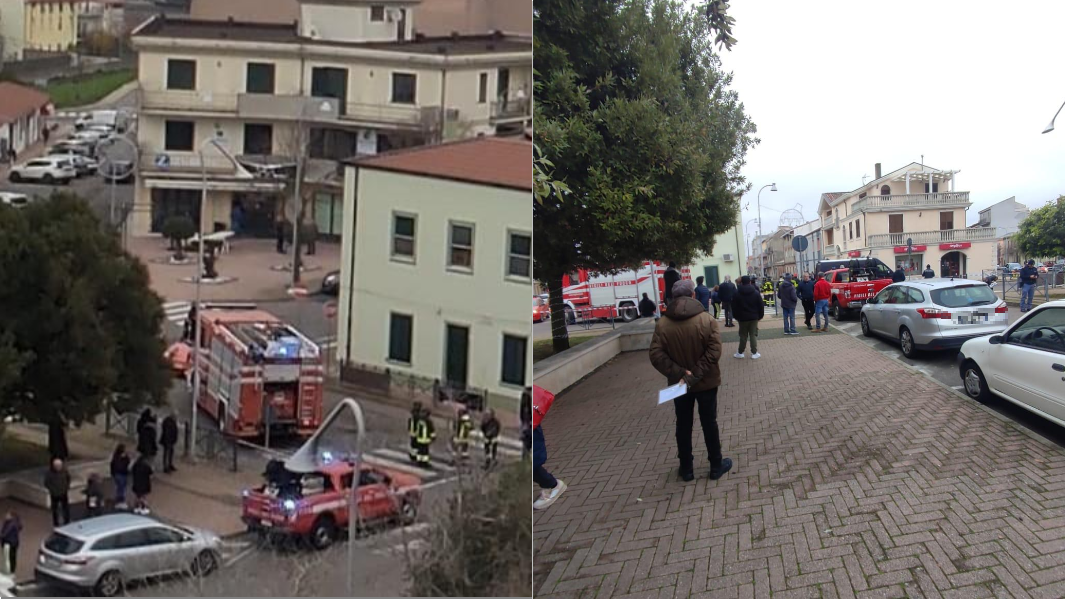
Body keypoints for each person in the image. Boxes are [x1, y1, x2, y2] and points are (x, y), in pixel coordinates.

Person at [648, 279, 733, 482]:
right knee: (709, 423)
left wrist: (681, 374)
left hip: (679, 384)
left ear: (673, 297)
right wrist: (693, 375)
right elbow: (714, 352)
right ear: (693, 295)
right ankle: (716, 465)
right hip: (706, 382)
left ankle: (686, 468)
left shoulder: (663, 324)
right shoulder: (707, 320)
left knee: (683, 424)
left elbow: (656, 355)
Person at [732, 276, 765, 359]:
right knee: (753, 334)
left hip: (742, 318)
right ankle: (754, 352)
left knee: (743, 335)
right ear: (750, 282)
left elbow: (734, 306)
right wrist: (760, 316)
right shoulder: (755, 292)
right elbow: (761, 305)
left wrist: (736, 316)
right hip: (754, 317)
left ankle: (740, 352)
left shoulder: (737, 293)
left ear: (741, 282)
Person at [43, 459, 71, 527]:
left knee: (65, 508)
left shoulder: (65, 471)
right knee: (55, 510)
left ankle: (67, 521)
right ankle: (56, 523)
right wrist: (52, 490)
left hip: (63, 493)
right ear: (54, 466)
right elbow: (46, 483)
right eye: (57, 466)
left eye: (60, 465)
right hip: (54, 494)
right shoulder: (49, 473)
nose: (59, 467)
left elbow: (68, 478)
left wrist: (66, 487)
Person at [110, 444, 131, 509]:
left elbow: (112, 465)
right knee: (121, 488)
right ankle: (120, 501)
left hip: (119, 474)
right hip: (121, 474)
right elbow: (125, 464)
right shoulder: (121, 458)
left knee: (120, 488)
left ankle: (119, 500)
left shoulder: (115, 457)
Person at [1, 510, 21, 577]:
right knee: (12, 558)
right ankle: (12, 572)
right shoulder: (15, 523)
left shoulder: (10, 524)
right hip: (14, 543)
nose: (6, 516)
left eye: (7, 514)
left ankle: (8, 572)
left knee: (8, 558)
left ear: (11, 516)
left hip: (8, 543)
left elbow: (5, 534)